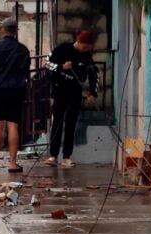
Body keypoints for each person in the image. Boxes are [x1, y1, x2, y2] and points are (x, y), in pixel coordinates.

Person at [0, 19, 31, 173]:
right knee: (13, 125)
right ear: (16, 30)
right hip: (16, 90)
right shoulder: (22, 50)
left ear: (2, 29)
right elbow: (25, 71)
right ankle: (13, 164)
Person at [45, 30, 98, 168]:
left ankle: (67, 156)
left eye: (88, 47)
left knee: (71, 124)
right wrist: (62, 67)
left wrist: (93, 93)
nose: (85, 50)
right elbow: (47, 64)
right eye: (84, 46)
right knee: (57, 122)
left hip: (75, 93)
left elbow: (94, 74)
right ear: (78, 42)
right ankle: (53, 155)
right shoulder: (62, 49)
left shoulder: (86, 56)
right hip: (59, 91)